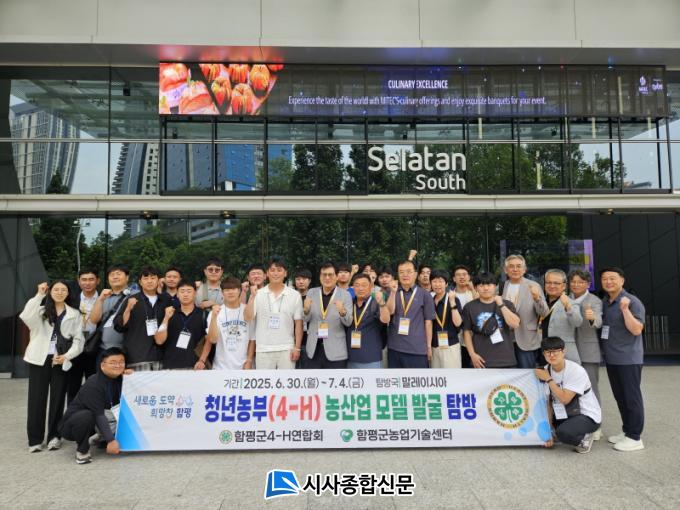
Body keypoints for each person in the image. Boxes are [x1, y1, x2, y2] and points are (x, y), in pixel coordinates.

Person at [20, 281, 85, 453]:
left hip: (60, 360)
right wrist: (39, 295)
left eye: (63, 289)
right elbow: (25, 316)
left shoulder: (74, 314)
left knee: (58, 399)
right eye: (56, 289)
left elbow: (79, 340)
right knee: (36, 400)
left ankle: (54, 436)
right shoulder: (40, 311)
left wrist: (67, 356)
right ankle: (35, 440)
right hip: (39, 359)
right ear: (50, 292)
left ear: (68, 293)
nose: (60, 292)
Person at [600, 267, 646, 452]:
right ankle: (627, 430)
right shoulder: (606, 302)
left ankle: (635, 437)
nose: (608, 282)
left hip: (628, 359)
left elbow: (636, 329)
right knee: (620, 397)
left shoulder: (632, 301)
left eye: (612, 278)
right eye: (605, 279)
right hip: (612, 358)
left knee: (631, 398)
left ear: (622, 280)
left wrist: (625, 310)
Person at [60, 347, 126, 464]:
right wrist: (111, 441)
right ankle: (82, 450)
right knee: (87, 415)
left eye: (121, 362)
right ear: (102, 365)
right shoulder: (94, 384)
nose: (118, 365)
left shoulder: (120, 379)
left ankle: (100, 436)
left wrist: (132, 376)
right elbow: (99, 415)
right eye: (113, 362)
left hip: (99, 419)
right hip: (72, 425)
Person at [535, 337, 601, 454]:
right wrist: (549, 430)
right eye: (548, 352)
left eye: (555, 351)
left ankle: (584, 440)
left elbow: (565, 399)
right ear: (544, 354)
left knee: (563, 433)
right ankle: (562, 430)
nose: (552, 355)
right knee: (545, 429)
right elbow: (548, 402)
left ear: (563, 351)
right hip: (564, 413)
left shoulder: (576, 370)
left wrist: (549, 379)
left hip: (586, 415)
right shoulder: (545, 370)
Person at [245, 256, 303, 369]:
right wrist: (252, 297)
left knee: (286, 380)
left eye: (279, 270)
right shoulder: (258, 294)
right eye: (272, 270)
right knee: (264, 381)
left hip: (287, 348)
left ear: (285, 273)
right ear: (267, 273)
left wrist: (297, 347)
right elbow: (248, 317)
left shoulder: (294, 295)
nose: (275, 273)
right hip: (263, 348)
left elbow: (298, 323)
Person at [114, 266, 169, 371]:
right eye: (146, 278)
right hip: (137, 358)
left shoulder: (165, 300)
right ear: (140, 282)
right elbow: (119, 326)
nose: (149, 281)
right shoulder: (131, 300)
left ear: (158, 280)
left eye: (153, 278)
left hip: (162, 358)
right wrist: (128, 309)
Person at [462, 272, 519, 369]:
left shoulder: (507, 304)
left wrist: (501, 304)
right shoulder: (469, 307)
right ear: (475, 288)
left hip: (506, 359)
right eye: (481, 285)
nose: (485, 288)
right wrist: (472, 354)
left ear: (495, 286)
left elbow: (515, 324)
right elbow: (466, 332)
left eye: (489, 285)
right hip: (481, 360)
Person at [385, 259, 435, 368]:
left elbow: (428, 322)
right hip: (395, 347)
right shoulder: (391, 291)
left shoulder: (424, 295)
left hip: (417, 349)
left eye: (408, 271)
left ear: (416, 274)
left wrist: (428, 346)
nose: (405, 275)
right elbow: (389, 312)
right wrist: (393, 293)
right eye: (401, 272)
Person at [501, 254, 549, 368]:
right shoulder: (502, 286)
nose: (515, 269)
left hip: (526, 337)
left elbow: (544, 313)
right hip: (506, 338)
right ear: (505, 270)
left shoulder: (533, 285)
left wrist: (537, 299)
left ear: (524, 269)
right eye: (511, 266)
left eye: (518, 266)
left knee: (527, 372)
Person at [303, 262, 353, 369]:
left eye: (330, 275)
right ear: (320, 276)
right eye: (324, 274)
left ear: (336, 276)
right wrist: (306, 310)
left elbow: (348, 322)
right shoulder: (311, 292)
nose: (327, 278)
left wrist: (342, 312)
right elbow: (306, 319)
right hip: (313, 349)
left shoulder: (345, 295)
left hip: (336, 350)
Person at [569, 269, 603, 418]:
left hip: (588, 351)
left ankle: (596, 420)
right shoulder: (565, 299)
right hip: (568, 351)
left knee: (591, 387)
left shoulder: (594, 301)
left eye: (580, 282)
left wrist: (591, 318)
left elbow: (598, 322)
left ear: (588, 284)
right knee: (571, 387)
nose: (576, 285)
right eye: (573, 281)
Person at [155, 280, 207, 370]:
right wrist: (166, 318)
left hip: (195, 367)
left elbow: (209, 340)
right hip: (170, 366)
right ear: (177, 294)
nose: (185, 294)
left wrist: (202, 360)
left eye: (189, 291)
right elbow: (159, 340)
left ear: (195, 293)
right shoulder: (169, 313)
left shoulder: (204, 314)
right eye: (182, 291)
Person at [206, 276, 255, 370]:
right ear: (222, 292)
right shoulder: (215, 312)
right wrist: (214, 317)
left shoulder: (247, 310)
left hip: (244, 366)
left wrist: (249, 360)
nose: (230, 292)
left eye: (233, 289)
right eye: (227, 290)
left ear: (239, 291)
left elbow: (252, 339)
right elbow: (212, 339)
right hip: (221, 367)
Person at [67, 268, 100, 403]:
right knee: (72, 385)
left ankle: (93, 413)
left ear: (98, 281)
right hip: (75, 345)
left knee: (94, 384)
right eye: (84, 280)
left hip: (96, 346)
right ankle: (72, 413)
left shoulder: (105, 298)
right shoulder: (71, 299)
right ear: (79, 281)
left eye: (91, 279)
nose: (87, 283)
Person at [88, 264, 131, 365]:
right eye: (112, 275)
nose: (115, 277)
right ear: (108, 279)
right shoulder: (104, 296)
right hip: (104, 349)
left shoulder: (135, 295)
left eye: (118, 274)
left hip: (127, 350)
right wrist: (100, 299)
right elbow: (94, 320)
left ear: (127, 277)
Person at [346, 273, 390, 369]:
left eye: (364, 285)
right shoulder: (349, 303)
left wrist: (382, 304)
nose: (360, 288)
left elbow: (386, 320)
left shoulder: (375, 302)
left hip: (371, 358)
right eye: (357, 285)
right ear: (353, 287)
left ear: (370, 287)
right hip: (351, 357)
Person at [541, 269, 583, 363]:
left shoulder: (571, 303)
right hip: (542, 352)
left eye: (556, 283)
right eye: (548, 282)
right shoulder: (540, 302)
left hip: (562, 353)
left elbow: (578, 322)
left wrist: (567, 306)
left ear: (564, 286)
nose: (552, 286)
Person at [429, 270, 463, 368]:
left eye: (440, 281)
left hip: (450, 346)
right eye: (434, 281)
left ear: (446, 283)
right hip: (434, 346)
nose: (437, 284)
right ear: (431, 283)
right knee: (436, 377)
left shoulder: (454, 299)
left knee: (452, 376)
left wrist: (452, 302)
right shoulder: (430, 301)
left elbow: (458, 323)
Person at [452, 265, 478, 368]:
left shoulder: (474, 293)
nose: (462, 277)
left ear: (469, 277)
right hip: (455, 338)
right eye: (458, 275)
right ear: (454, 279)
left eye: (464, 274)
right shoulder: (450, 295)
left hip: (473, 337)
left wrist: (473, 290)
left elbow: (480, 306)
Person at [294, 268, 312, 368]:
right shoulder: (291, 297)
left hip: (309, 341)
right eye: (298, 279)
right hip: (292, 341)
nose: (301, 282)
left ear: (309, 281)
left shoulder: (314, 297)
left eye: (304, 279)